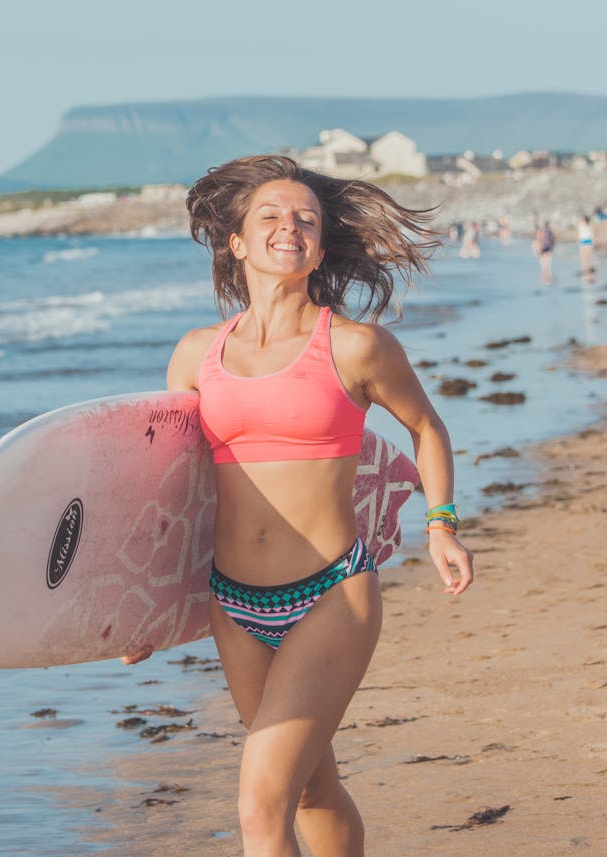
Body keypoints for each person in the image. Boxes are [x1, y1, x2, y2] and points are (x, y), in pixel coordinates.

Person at [125, 155, 473, 857]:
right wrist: (146, 606)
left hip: (332, 596)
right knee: (309, 788)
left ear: (320, 243)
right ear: (238, 242)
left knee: (260, 805)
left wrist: (441, 524)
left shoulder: (354, 346)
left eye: (307, 218)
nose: (292, 226)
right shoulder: (197, 354)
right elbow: (179, 488)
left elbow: (426, 426)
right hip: (234, 605)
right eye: (272, 216)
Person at [534, 220, 555, 285]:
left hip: (544, 246)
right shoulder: (550, 231)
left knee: (543, 260)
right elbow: (553, 238)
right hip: (548, 246)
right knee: (547, 259)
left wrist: (538, 247)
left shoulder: (544, 231)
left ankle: (545, 273)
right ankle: (547, 272)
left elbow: (540, 239)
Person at [577, 215, 595, 279]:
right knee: (584, 256)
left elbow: (591, 234)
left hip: (587, 241)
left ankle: (587, 267)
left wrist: (593, 242)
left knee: (587, 256)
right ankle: (585, 268)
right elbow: (579, 234)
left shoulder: (588, 225)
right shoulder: (582, 225)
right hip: (584, 241)